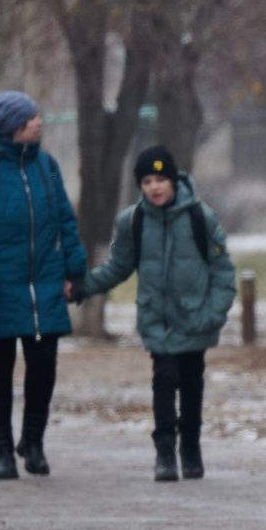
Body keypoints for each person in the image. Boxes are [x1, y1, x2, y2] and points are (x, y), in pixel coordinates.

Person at [74, 145, 237, 482]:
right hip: (157, 322)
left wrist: (214, 314)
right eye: (147, 180)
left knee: (192, 385)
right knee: (164, 382)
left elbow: (223, 272)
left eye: (160, 179)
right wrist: (83, 287)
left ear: (173, 180)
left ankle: (190, 449)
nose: (154, 187)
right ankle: (165, 454)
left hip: (196, 319)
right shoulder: (132, 221)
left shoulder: (199, 217)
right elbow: (117, 268)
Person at [0, 91, 87, 481]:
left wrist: (76, 273)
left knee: (44, 365)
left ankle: (33, 443)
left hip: (44, 280)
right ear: (10, 128)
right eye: (30, 119)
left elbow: (66, 222)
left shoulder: (47, 166)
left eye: (37, 117)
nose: (39, 123)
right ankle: (2, 452)